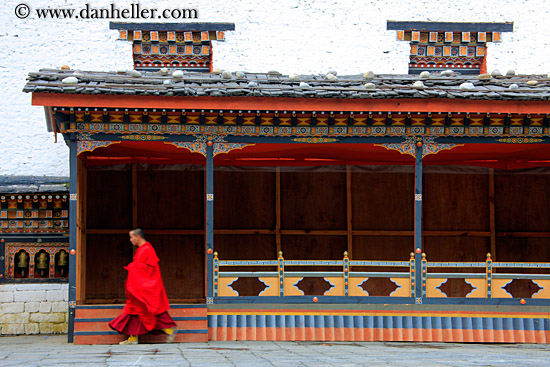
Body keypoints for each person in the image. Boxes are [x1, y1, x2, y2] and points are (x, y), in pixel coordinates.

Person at [109, 228, 177, 344]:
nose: (130, 240)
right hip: (139, 287)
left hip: (145, 288)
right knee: (134, 312)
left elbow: (148, 270)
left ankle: (169, 329)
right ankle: (133, 338)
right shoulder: (142, 249)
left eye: (131, 237)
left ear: (138, 237)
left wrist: (132, 267)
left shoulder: (147, 249)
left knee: (142, 311)